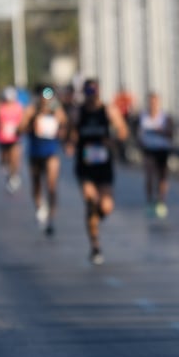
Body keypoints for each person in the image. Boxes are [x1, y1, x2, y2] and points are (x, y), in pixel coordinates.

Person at [69, 78, 128, 264]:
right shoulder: (78, 112)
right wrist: (71, 142)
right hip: (85, 165)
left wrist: (111, 142)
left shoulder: (108, 110)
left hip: (103, 164)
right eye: (88, 91)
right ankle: (95, 245)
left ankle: (94, 220)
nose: (91, 95)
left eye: (94, 91)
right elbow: (69, 133)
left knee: (105, 206)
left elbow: (123, 131)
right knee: (90, 199)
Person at [21, 86, 68, 237]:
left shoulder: (57, 111)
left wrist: (59, 117)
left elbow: (65, 125)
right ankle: (39, 206)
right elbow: (20, 127)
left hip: (51, 152)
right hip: (35, 152)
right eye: (44, 97)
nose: (46, 101)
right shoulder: (32, 110)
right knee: (36, 183)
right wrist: (30, 119)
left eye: (49, 98)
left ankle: (51, 219)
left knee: (51, 185)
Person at [137, 91, 173, 219]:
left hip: (162, 150)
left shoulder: (165, 117)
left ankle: (161, 201)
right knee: (149, 176)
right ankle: (150, 201)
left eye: (155, 102)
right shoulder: (143, 116)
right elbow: (138, 133)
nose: (153, 104)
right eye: (151, 102)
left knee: (162, 178)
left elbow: (171, 133)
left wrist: (161, 131)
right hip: (149, 150)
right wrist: (140, 143)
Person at [0, 86, 25, 193]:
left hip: (15, 138)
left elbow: (22, 121)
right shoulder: (0, 107)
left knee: (15, 158)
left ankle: (14, 176)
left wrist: (19, 128)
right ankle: (9, 174)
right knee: (5, 159)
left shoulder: (18, 107)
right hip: (3, 138)